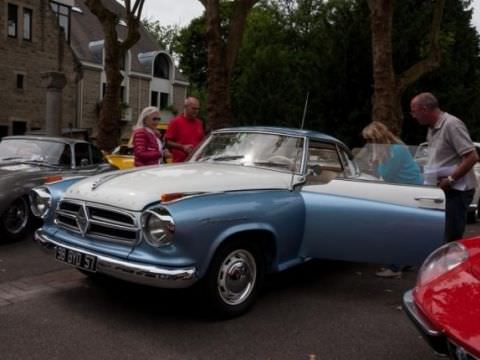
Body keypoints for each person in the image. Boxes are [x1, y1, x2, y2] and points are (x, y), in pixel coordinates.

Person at [410, 92, 478, 243]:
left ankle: (454, 265)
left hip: (457, 190)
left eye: (414, 111)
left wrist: (450, 179)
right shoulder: (432, 127)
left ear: (425, 109)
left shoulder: (452, 124)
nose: (413, 116)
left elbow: (472, 157)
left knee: (451, 237)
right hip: (443, 189)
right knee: (440, 234)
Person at [362, 121, 423, 278]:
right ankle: (406, 261)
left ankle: (394, 267)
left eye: (370, 140)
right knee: (405, 230)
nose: (368, 144)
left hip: (406, 192)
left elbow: (386, 174)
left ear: (377, 139)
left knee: (395, 229)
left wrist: (375, 159)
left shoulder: (395, 151)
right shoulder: (396, 149)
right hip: (407, 190)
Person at [165, 97, 204, 162]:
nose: (196, 111)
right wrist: (182, 147)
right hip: (180, 164)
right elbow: (167, 142)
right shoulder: (175, 122)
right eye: (194, 108)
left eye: (198, 109)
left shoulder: (199, 123)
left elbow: (202, 142)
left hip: (196, 163)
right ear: (185, 107)